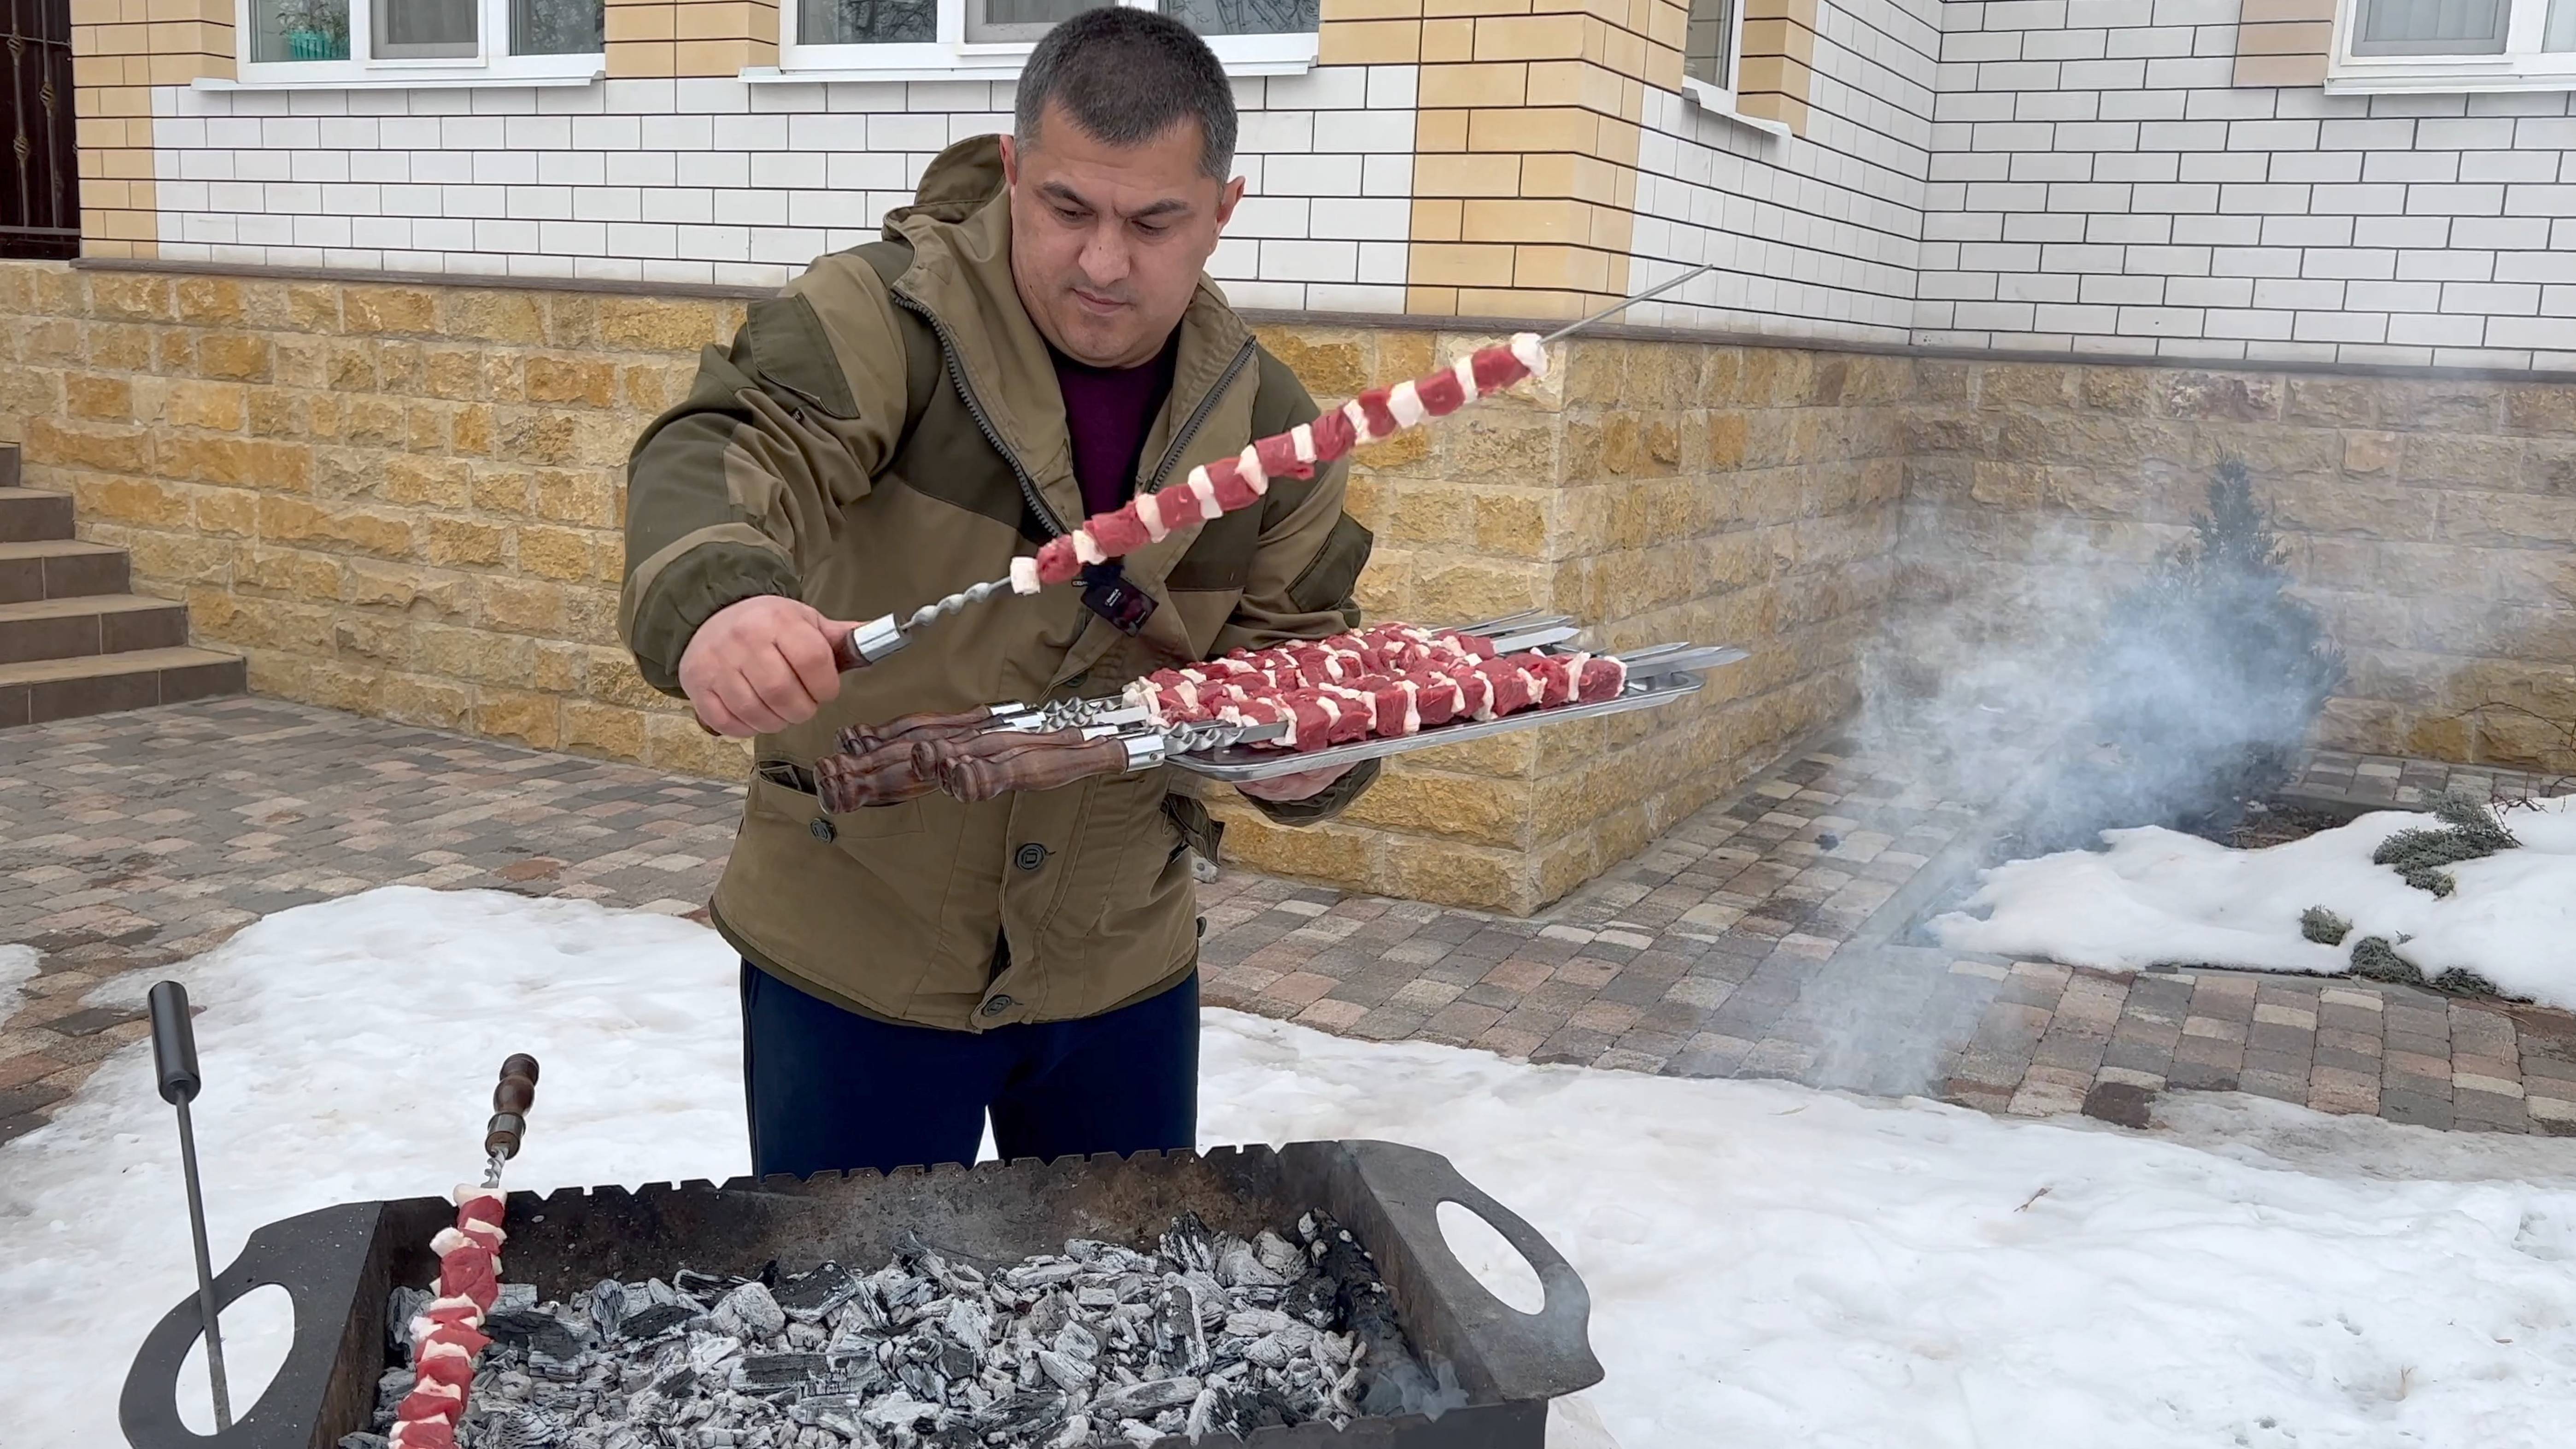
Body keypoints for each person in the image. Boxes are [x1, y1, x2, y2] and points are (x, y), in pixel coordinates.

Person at [618, 8, 1378, 1180]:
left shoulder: (1281, 432)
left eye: (1154, 220)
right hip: (857, 952)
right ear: (1013, 168)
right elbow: (729, 444)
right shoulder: (883, 317)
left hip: (1117, 966)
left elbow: (1302, 652)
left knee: (1111, 1305)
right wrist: (724, 601)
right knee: (849, 1318)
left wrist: (1307, 755)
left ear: (1222, 212)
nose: (1104, 263)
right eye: (1068, 208)